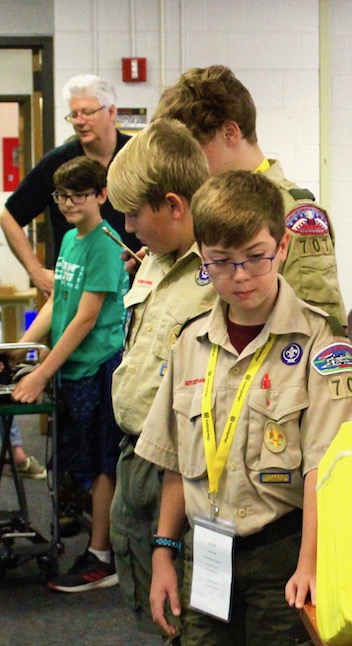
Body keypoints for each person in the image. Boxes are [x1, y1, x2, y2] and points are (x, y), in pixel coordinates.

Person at [136, 171, 352, 644]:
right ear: (203, 258)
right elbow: (177, 462)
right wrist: (164, 549)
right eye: (222, 262)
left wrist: (311, 564)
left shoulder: (319, 343)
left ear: (282, 248)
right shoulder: (190, 342)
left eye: (255, 258)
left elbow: (324, 472)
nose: (240, 276)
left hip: (282, 552)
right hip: (206, 550)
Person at [104, 118, 215, 637]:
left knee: (188, 612)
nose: (127, 228)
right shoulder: (153, 258)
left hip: (183, 468)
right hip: (136, 455)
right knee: (149, 603)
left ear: (174, 206)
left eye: (133, 214)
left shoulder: (221, 270)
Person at [12, 156, 129, 592]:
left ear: (100, 195)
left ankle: (103, 556)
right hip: (75, 367)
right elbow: (56, 303)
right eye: (61, 196)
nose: (67, 204)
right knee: (81, 460)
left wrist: (41, 372)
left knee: (103, 464)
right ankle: (98, 544)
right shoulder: (70, 241)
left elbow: (84, 318)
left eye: (79, 195)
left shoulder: (103, 243)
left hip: (100, 365)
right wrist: (19, 349)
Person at [153, 64, 347, 326]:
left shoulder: (296, 215)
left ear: (230, 132)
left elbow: (319, 327)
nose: (187, 165)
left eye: (193, 151)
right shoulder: (206, 207)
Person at [1, 74, 139, 296]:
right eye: (74, 114)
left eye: (87, 112)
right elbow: (9, 216)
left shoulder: (138, 154)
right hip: (76, 291)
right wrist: (36, 272)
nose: (79, 121)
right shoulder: (58, 162)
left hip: (133, 288)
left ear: (111, 112)